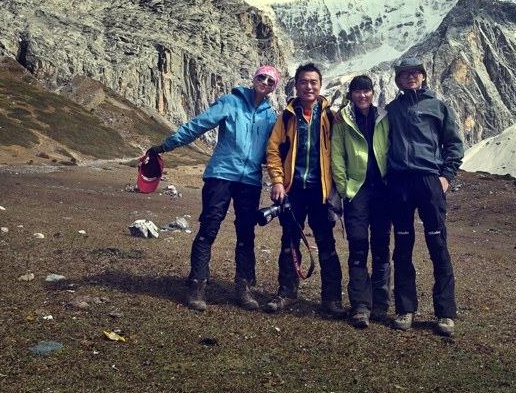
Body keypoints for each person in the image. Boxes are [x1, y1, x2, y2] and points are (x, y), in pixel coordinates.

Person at [147, 66, 279, 312]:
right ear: (254, 79)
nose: (265, 82)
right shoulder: (230, 102)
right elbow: (198, 125)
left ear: (274, 88)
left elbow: (276, 150)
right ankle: (197, 284)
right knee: (209, 227)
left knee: (246, 233)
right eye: (261, 77)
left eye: (271, 81)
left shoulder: (270, 117)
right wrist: (165, 146)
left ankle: (244, 286)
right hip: (221, 174)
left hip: (250, 180)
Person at [386, 57, 464, 336]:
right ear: (398, 79)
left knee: (437, 245)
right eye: (405, 73)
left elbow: (454, 144)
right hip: (400, 183)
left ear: (423, 76)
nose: (411, 76)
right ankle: (405, 309)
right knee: (402, 247)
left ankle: (445, 313)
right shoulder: (392, 109)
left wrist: (446, 177)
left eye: (416, 72)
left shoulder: (437, 106)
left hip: (429, 181)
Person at [263, 63, 345, 317]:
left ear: (320, 85)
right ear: (296, 85)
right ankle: (287, 292)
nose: (309, 86)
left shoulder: (331, 115)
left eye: (313, 82)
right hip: (293, 190)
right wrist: (278, 181)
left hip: (322, 191)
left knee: (326, 243)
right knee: (289, 241)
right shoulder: (287, 116)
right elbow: (273, 150)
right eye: (304, 82)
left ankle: (332, 300)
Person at [331, 75, 391, 328]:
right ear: (351, 94)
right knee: (357, 245)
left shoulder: (384, 117)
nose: (362, 95)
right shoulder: (343, 120)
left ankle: (381, 304)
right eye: (357, 91)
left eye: (366, 90)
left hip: (383, 190)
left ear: (373, 92)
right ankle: (360, 306)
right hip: (357, 191)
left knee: (381, 245)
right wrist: (344, 188)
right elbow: (337, 154)